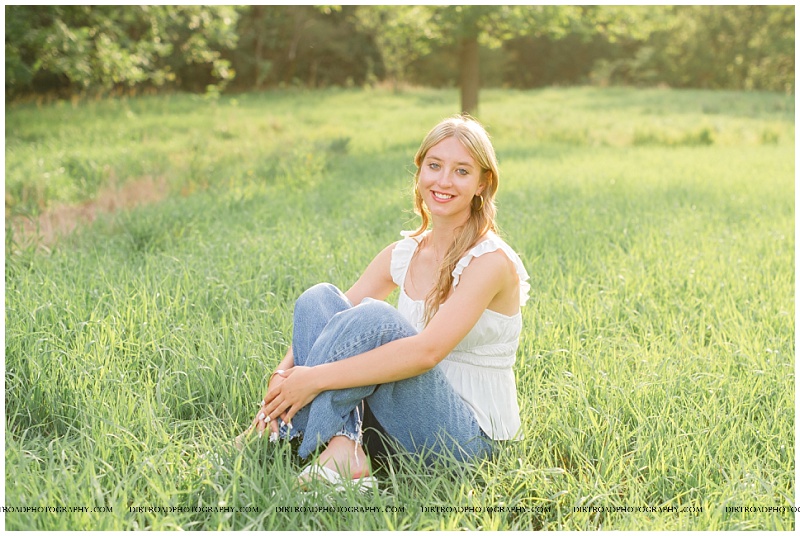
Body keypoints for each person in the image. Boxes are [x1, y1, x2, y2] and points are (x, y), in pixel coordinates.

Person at [236, 114, 530, 491]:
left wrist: (313, 379)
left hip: (467, 441)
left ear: (481, 183)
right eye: (434, 165)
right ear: (420, 170)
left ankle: (284, 434)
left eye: (461, 171)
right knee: (320, 299)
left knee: (376, 319)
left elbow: (426, 352)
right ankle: (343, 446)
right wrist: (282, 375)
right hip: (397, 426)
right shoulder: (404, 253)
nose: (443, 181)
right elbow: (330, 324)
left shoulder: (489, 261)